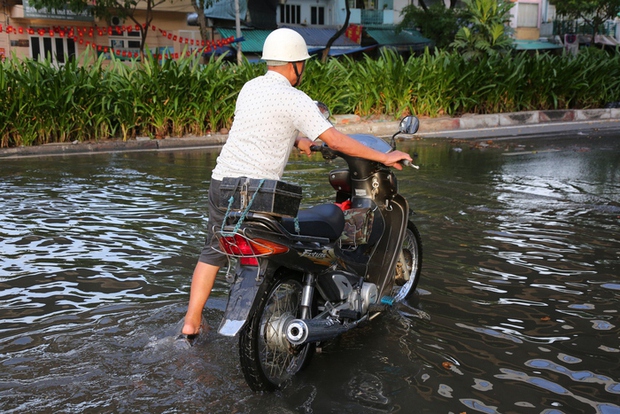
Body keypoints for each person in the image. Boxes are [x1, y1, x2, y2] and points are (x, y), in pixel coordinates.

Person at [179, 27, 412, 341]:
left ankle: (191, 323)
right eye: (303, 63)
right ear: (295, 65)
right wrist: (384, 158)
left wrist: (296, 140)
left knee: (212, 252)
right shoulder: (295, 98)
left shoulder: (250, 87)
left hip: (222, 184)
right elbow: (337, 140)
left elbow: (257, 134)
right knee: (303, 240)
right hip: (258, 192)